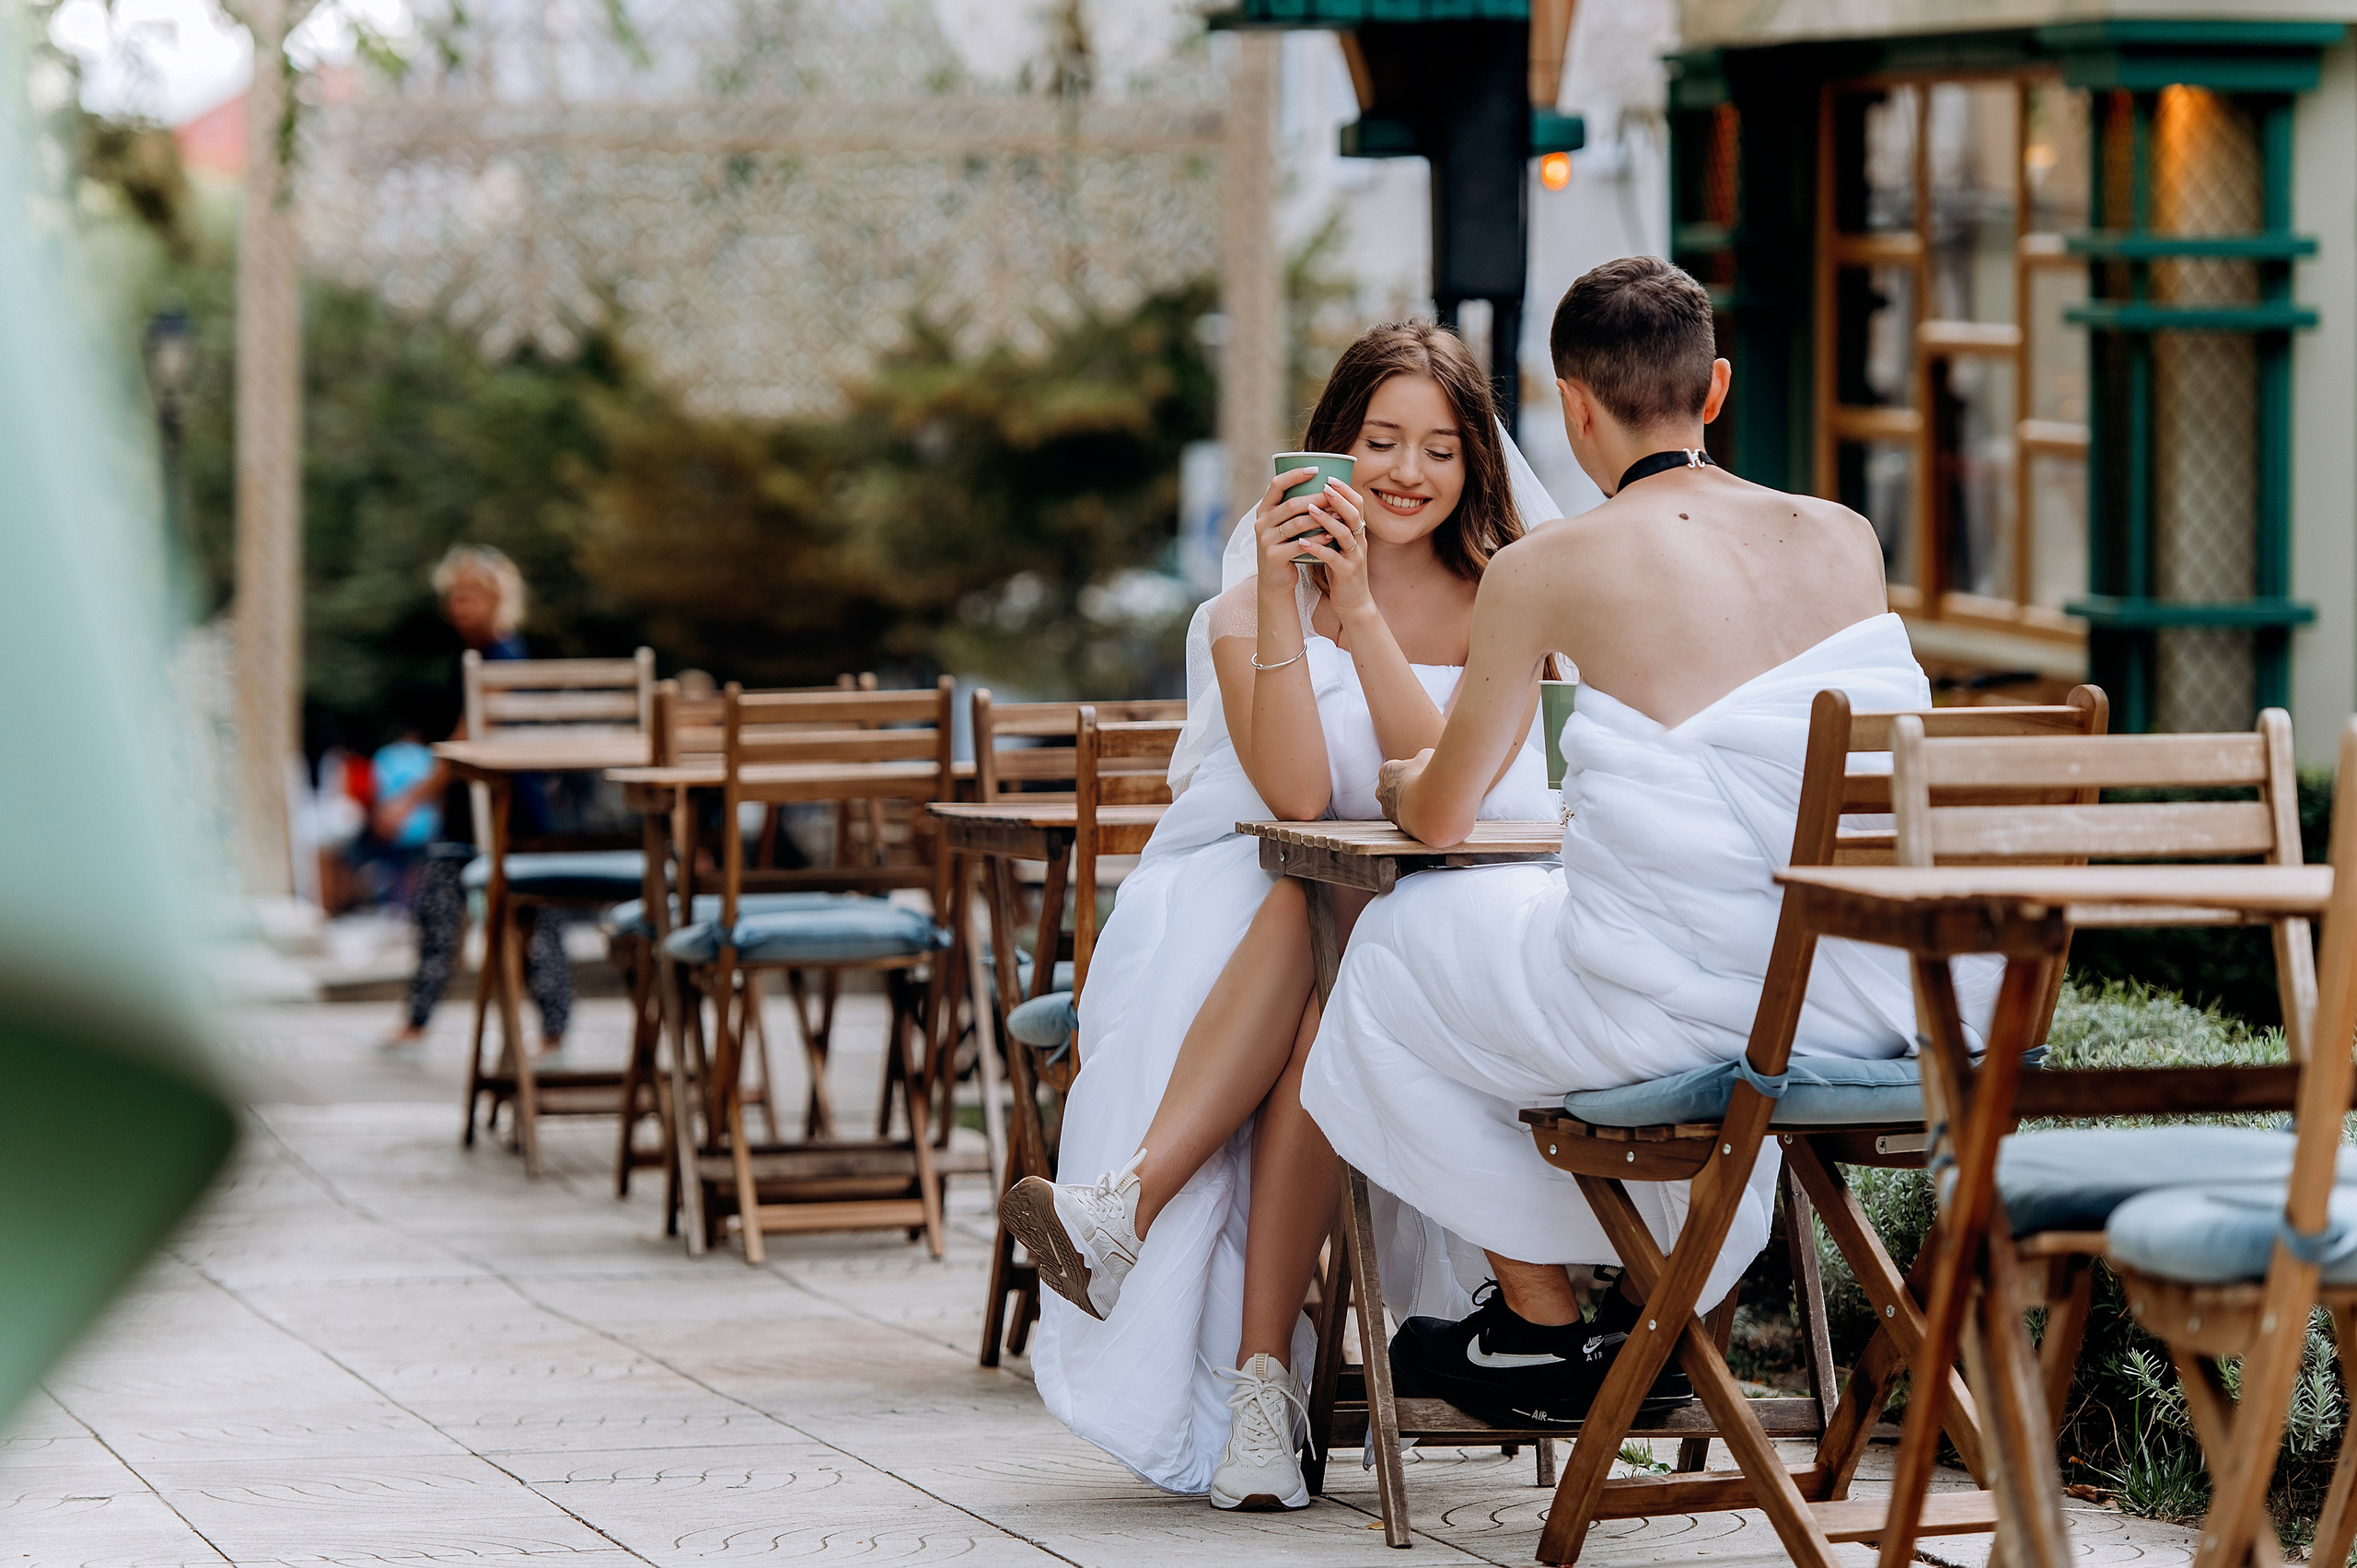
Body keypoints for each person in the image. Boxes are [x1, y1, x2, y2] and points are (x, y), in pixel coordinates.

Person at [1299, 256, 1998, 1430]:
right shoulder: (1844, 540)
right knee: (1556, 952)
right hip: (1878, 997)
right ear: (1713, 389)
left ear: (1571, 404)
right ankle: (1647, 1310)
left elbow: (1442, 816)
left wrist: (1402, 770)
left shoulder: (1544, 567)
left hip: (1707, 1013)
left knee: (1390, 953)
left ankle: (1537, 1320)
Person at [999, 322, 1557, 1511]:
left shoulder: (1506, 599)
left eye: (1441, 449)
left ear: (1477, 467)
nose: (1407, 472)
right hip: (1241, 892)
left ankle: (1135, 1221)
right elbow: (1301, 797)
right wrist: (1286, 594)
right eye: (1381, 441)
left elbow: (1439, 789)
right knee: (1318, 906)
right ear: (1331, 452)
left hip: (1429, 910)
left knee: (1331, 967)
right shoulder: (1251, 599)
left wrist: (1358, 610)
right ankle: (1259, 1387)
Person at [378, 546, 572, 1054]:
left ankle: (552, 1030)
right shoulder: (475, 658)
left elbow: (464, 744)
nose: (458, 605)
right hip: (471, 813)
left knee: (525, 922)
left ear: (497, 599)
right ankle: (422, 1021)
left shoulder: (500, 657)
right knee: (443, 916)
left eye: (470, 595)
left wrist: (407, 800)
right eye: (454, 596)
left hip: (509, 813)